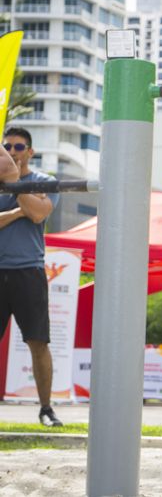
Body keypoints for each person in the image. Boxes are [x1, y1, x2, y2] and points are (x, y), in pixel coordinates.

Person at [0, 127, 62, 427]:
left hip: (29, 271)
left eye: (19, 146)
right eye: (7, 146)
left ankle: (46, 409)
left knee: (38, 342)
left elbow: (39, 214)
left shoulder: (44, 181)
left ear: (30, 152)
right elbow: (30, 210)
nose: (12, 151)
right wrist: (18, 210)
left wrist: (15, 190)